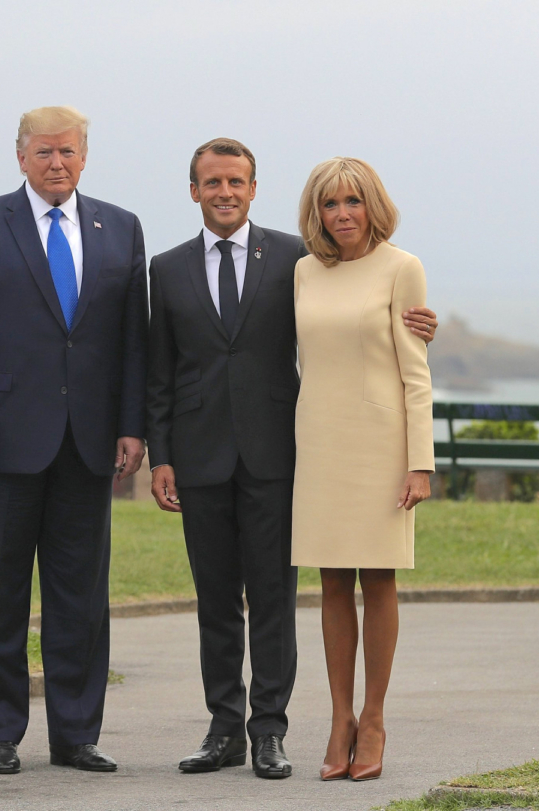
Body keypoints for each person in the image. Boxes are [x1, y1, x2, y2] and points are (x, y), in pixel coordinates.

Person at [146, 140, 437, 780]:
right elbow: (160, 372)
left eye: (237, 181)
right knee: (218, 597)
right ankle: (225, 728)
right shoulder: (172, 269)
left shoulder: (290, 258)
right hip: (226, 452)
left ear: (254, 188)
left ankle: (272, 733)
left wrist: (422, 332)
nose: (225, 191)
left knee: (277, 595)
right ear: (194, 190)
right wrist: (159, 453)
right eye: (212, 181)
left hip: (283, 452)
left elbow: (398, 345)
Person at [0, 106, 148, 775]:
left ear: (85, 156)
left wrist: (132, 425)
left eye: (69, 152)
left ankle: (76, 735)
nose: (57, 163)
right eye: (45, 152)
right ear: (21, 156)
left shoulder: (121, 227)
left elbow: (132, 340)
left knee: (80, 597)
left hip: (88, 443)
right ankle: (1, 732)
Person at [291, 157, 436, 782]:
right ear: (316, 213)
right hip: (318, 441)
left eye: (353, 201)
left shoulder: (403, 268)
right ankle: (339, 717)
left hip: (381, 443)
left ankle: (374, 718)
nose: (342, 214)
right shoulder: (302, 271)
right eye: (330, 204)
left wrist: (419, 462)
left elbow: (416, 370)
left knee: (378, 581)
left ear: (372, 203)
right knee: (328, 584)